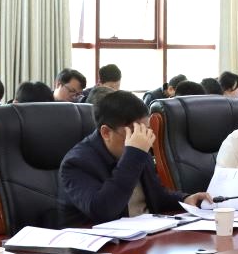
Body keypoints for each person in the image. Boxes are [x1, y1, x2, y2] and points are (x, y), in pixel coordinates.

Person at [59, 90, 209, 224]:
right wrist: (133, 155)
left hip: (146, 233)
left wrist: (184, 199)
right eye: (134, 132)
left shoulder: (138, 150)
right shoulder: (77, 163)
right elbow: (103, 210)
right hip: (103, 241)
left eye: (145, 130)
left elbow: (157, 195)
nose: (141, 137)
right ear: (106, 132)